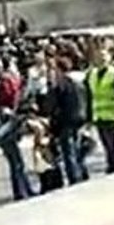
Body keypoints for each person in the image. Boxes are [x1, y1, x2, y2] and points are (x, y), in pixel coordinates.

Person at [85, 47, 114, 173]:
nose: (102, 59)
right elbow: (89, 96)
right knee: (105, 142)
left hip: (113, 114)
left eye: (104, 57)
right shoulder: (91, 75)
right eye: (99, 57)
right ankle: (112, 162)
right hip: (99, 115)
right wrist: (89, 117)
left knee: (113, 143)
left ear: (109, 58)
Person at [49, 56, 86, 186]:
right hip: (78, 118)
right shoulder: (76, 82)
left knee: (68, 151)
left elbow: (53, 105)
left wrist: (53, 122)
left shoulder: (60, 85)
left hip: (65, 121)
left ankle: (74, 177)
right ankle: (81, 172)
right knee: (76, 148)